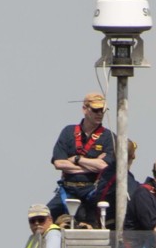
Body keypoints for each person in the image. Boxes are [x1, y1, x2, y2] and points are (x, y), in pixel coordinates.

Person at [50, 92, 116, 221]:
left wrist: (77, 159)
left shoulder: (109, 137)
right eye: (96, 110)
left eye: (102, 110)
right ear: (85, 109)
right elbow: (58, 163)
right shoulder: (68, 132)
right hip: (68, 188)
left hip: (92, 190)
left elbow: (104, 166)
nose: (100, 114)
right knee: (45, 215)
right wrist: (92, 164)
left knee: (89, 219)